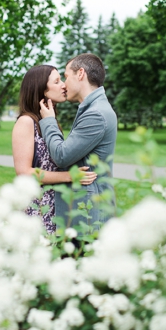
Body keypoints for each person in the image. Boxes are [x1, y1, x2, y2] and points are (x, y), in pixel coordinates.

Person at [12, 65, 97, 234]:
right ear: (42, 90)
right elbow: (24, 172)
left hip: (56, 208)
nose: (64, 85)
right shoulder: (26, 122)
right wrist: (69, 176)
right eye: (57, 82)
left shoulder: (48, 121)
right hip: (37, 211)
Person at [39, 53, 118, 233]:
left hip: (88, 215)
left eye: (66, 76)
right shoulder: (93, 107)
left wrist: (49, 121)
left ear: (80, 73)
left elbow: (62, 156)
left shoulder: (96, 114)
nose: (64, 84)